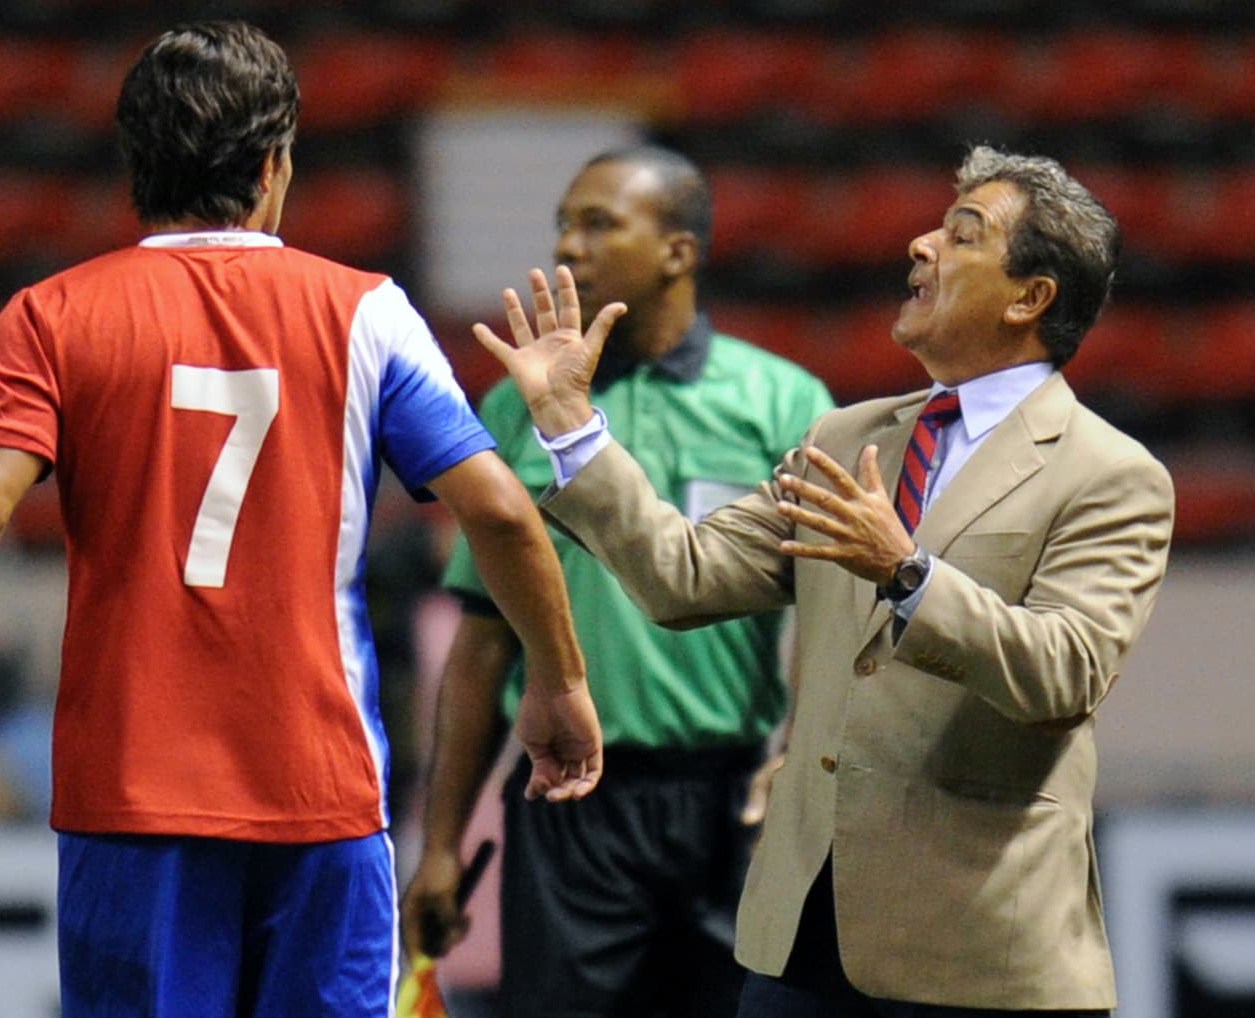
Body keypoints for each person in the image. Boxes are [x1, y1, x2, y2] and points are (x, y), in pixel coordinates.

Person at [0, 20, 603, 1018]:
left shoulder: (48, 317)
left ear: (135, 164)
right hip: (320, 792)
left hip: (130, 799)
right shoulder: (366, 311)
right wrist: (558, 683)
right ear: (274, 166)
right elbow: (501, 513)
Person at [474, 144, 1175, 1017]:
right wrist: (573, 427)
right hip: (802, 938)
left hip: (978, 949)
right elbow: (683, 577)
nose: (920, 245)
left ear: (1031, 297)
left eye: (961, 236)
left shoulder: (1111, 474)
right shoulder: (848, 439)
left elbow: (1065, 671)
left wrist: (908, 574)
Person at [401, 145, 833, 1017]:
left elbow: (828, 619)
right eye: (563, 222)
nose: (568, 244)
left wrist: (797, 752)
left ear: (679, 250)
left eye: (599, 222)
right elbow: (484, 640)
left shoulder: (785, 400)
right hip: (570, 805)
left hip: (733, 805)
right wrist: (441, 844)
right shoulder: (514, 409)